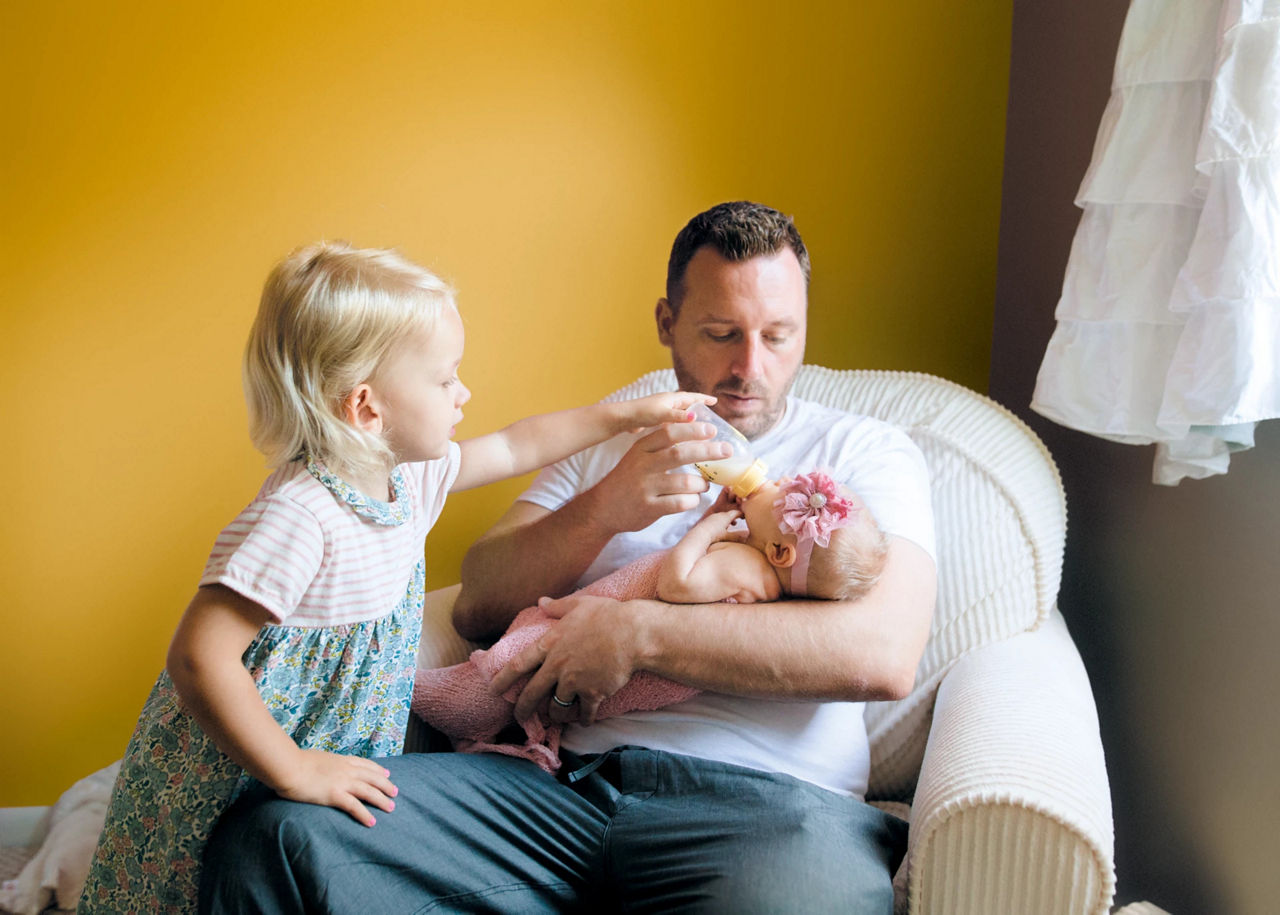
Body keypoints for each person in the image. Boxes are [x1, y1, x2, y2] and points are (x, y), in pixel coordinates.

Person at [200, 202, 938, 913]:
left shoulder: (862, 454)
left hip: (768, 807)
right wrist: (606, 508)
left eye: (779, 335)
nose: (751, 366)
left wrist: (637, 634)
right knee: (275, 840)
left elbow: (881, 652)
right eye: (720, 332)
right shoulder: (612, 441)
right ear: (667, 322)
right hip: (551, 789)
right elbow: (479, 598)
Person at [77, 241, 711, 913]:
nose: (463, 392)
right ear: (366, 408)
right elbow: (199, 656)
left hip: (325, 762)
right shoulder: (299, 516)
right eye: (444, 379)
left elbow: (519, 443)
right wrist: (292, 768)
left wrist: (627, 414)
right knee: (195, 889)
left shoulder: (407, 480)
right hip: (240, 764)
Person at [411, 470, 888, 773]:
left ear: (780, 552)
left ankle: (415, 693)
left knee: (492, 686)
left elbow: (676, 586)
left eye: (786, 492)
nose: (776, 480)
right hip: (594, 652)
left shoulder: (746, 567)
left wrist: (709, 524)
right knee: (516, 671)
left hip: (607, 645)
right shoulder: (758, 566)